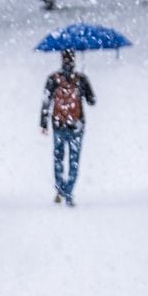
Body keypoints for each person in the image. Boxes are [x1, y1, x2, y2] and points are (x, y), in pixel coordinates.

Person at [40, 49, 96, 206]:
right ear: (74, 60)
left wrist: (43, 123)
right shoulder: (81, 79)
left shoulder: (53, 79)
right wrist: (86, 86)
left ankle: (59, 190)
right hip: (76, 125)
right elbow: (92, 101)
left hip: (58, 124)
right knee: (74, 160)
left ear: (62, 60)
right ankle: (69, 192)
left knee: (58, 157)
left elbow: (46, 102)